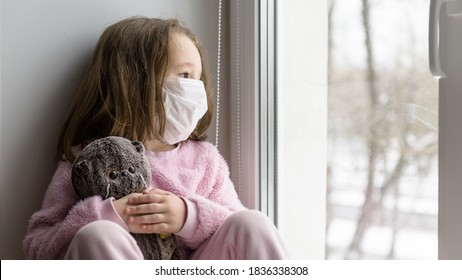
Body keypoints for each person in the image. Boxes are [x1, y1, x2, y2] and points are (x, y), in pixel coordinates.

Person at [23, 17, 288, 260]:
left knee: (251, 223)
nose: (196, 89)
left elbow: (232, 222)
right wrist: (108, 216)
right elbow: (38, 244)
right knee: (98, 234)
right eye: (184, 76)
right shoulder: (85, 161)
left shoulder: (205, 160)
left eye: (198, 78)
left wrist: (188, 216)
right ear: (133, 82)